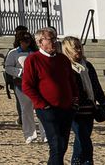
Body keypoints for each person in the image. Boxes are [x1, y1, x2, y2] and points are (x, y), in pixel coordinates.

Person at [22, 26, 76, 165]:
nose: (54, 42)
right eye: (50, 39)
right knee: (56, 144)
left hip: (66, 107)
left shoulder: (63, 59)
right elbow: (27, 86)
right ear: (40, 42)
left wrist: (74, 99)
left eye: (55, 39)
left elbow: (71, 81)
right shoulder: (33, 59)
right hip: (47, 109)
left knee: (62, 145)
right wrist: (42, 104)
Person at [62, 35, 105, 164]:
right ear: (67, 50)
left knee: (82, 141)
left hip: (89, 110)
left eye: (80, 47)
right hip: (74, 112)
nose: (79, 50)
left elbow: (97, 89)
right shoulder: (64, 67)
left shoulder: (87, 65)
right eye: (75, 48)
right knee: (84, 141)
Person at [4, 26, 46, 144]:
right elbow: (8, 68)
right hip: (21, 84)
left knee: (40, 108)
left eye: (28, 41)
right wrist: (20, 72)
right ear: (19, 41)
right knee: (26, 109)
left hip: (36, 84)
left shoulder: (35, 52)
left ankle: (45, 134)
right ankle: (30, 135)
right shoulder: (13, 53)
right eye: (23, 41)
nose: (25, 43)